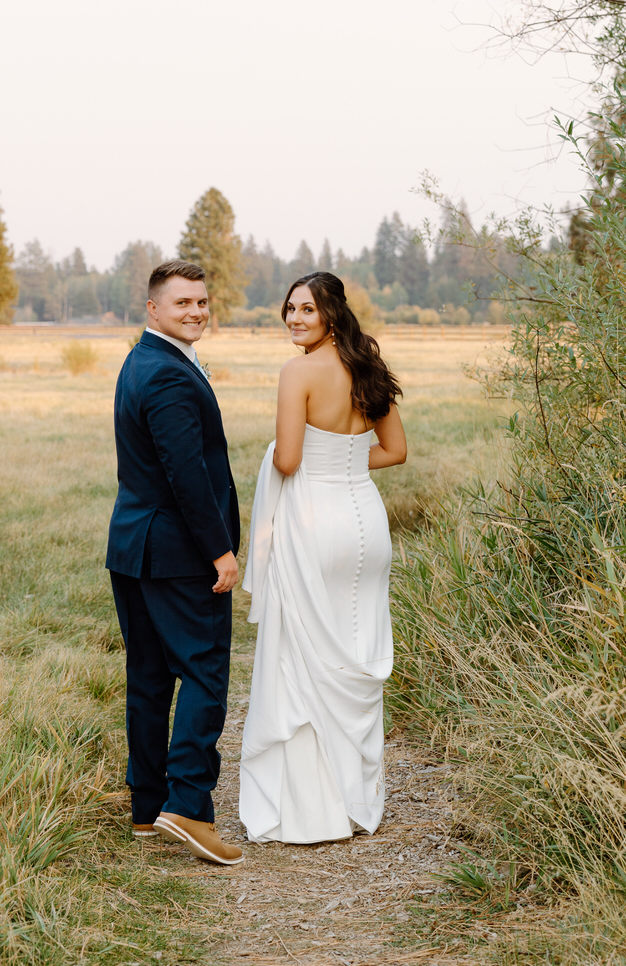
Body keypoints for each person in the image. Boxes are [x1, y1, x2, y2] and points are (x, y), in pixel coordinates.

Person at [239, 271, 406, 844]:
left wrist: (307, 464)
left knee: (305, 654)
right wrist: (345, 465)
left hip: (314, 519)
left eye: (306, 310)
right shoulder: (369, 370)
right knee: (353, 648)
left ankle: (314, 812)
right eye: (289, 309)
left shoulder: (298, 372)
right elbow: (396, 451)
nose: (294, 319)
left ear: (331, 313)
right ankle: (356, 799)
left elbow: (287, 460)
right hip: (364, 519)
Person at [106, 259, 243, 866]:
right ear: (153, 309)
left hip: (136, 545)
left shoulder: (144, 360)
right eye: (182, 302)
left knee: (151, 677)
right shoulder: (166, 375)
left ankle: (146, 807)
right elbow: (186, 475)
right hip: (178, 553)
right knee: (207, 671)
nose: (195, 312)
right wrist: (220, 550)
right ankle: (188, 805)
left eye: (202, 303)